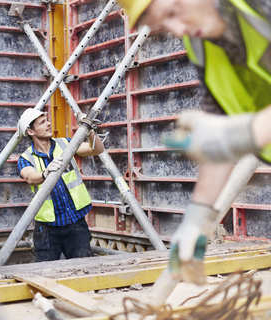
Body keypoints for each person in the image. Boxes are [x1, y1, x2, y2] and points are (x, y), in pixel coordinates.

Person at [118, 0, 271, 285]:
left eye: (174, 12)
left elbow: (229, 134)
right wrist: (196, 222)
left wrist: (240, 134)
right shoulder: (200, 40)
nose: (177, 30)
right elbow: (220, 127)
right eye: (165, 23)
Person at [16, 108, 105, 262]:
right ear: (31, 131)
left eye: (47, 120)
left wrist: (88, 129)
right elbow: (30, 177)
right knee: (46, 273)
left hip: (75, 222)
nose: (48, 124)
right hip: (47, 228)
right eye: (42, 122)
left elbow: (96, 149)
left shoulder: (66, 144)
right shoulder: (25, 158)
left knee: (84, 270)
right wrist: (45, 173)